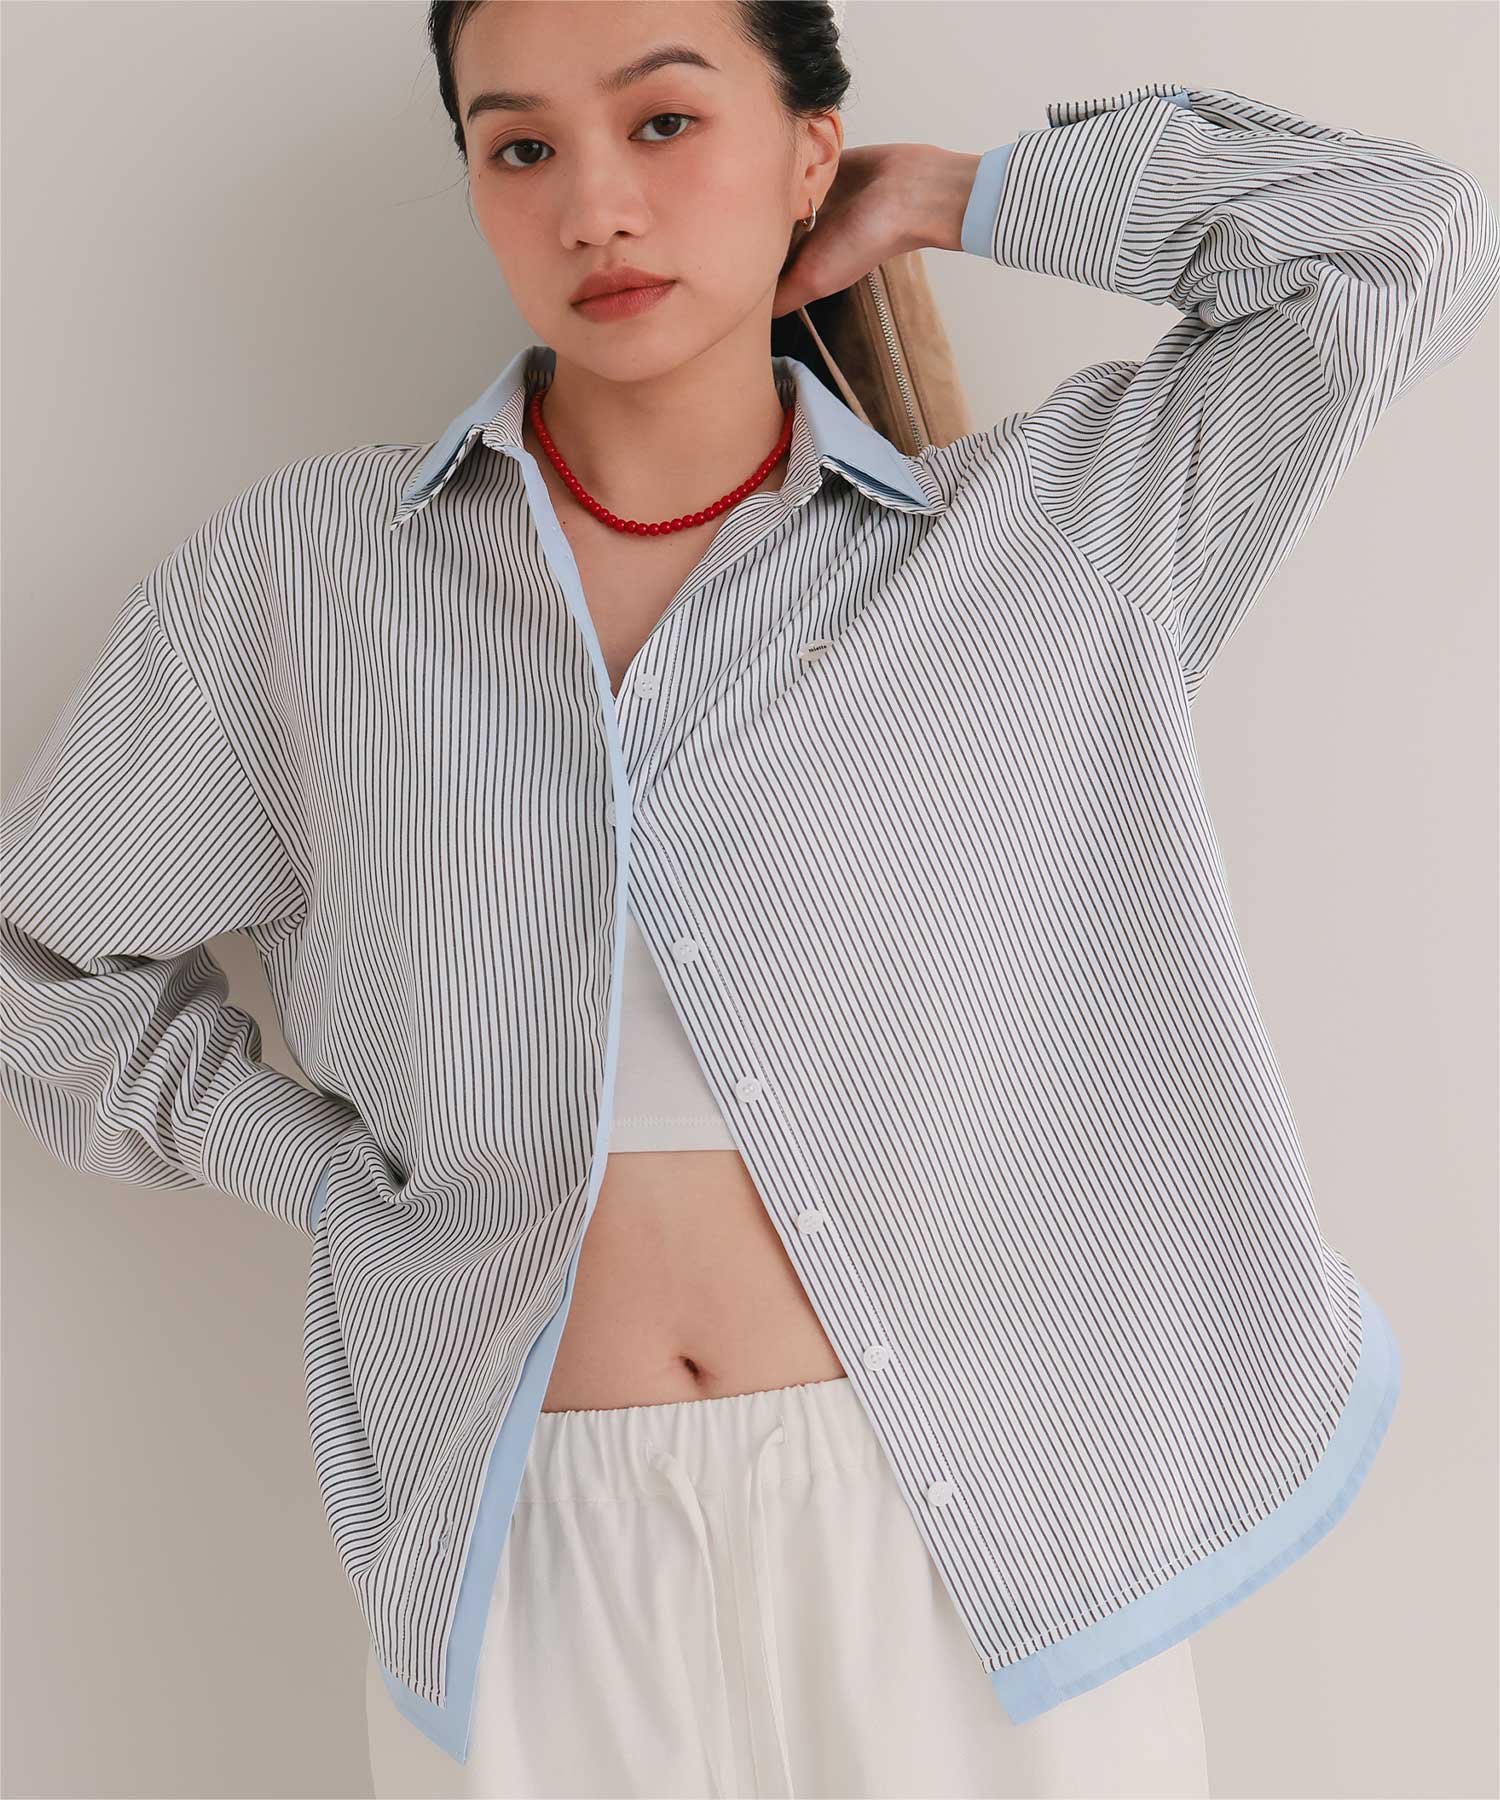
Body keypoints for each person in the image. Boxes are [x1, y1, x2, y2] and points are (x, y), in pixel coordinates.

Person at [3, 2, 1495, 1796]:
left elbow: (1404, 245)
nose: (595, 209)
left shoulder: (1041, 540)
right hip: (536, 1558)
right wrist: (328, 1179)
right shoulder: (311, 583)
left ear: (809, 151)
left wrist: (956, 196)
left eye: (665, 124)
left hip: (974, 1545)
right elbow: (44, 964)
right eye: (521, 146)